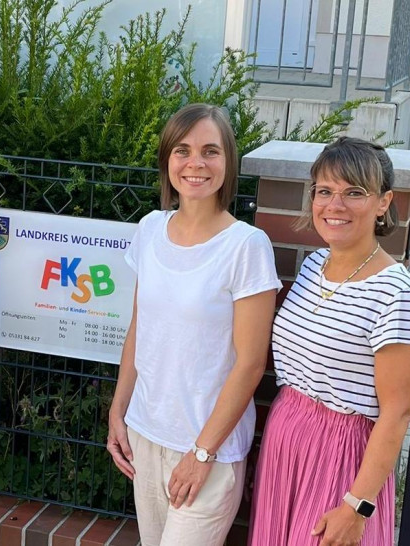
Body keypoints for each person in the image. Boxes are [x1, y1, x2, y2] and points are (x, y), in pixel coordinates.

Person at [106, 103, 282, 546]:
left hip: (208, 449)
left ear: (228, 161)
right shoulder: (149, 229)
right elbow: (139, 329)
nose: (195, 163)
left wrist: (203, 452)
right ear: (168, 159)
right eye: (182, 150)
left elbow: (250, 363)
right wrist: (117, 408)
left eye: (210, 151)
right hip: (146, 434)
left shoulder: (246, 246)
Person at [249, 137, 410, 546]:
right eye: (324, 191)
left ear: (382, 202)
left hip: (343, 453)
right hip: (288, 436)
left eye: (354, 192)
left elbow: (397, 412)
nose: (334, 205)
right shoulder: (315, 265)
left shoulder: (395, 292)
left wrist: (358, 506)